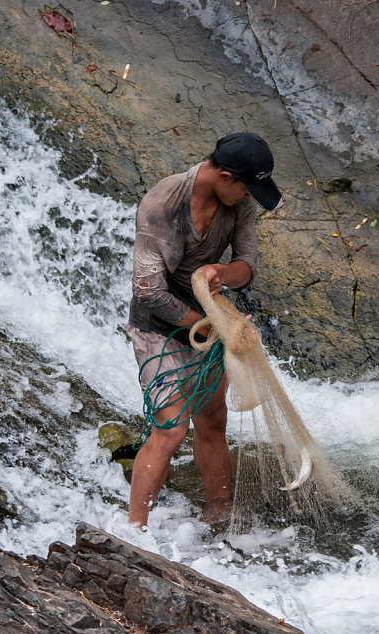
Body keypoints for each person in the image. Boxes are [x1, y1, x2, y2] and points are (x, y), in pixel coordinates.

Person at [124, 132, 281, 529]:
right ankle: (133, 530)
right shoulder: (162, 204)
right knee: (172, 424)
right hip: (158, 327)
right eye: (246, 188)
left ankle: (219, 514)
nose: (250, 197)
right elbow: (147, 290)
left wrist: (219, 272)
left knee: (212, 420)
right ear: (225, 176)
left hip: (210, 321)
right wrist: (205, 324)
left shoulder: (240, 200)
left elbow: (246, 266)